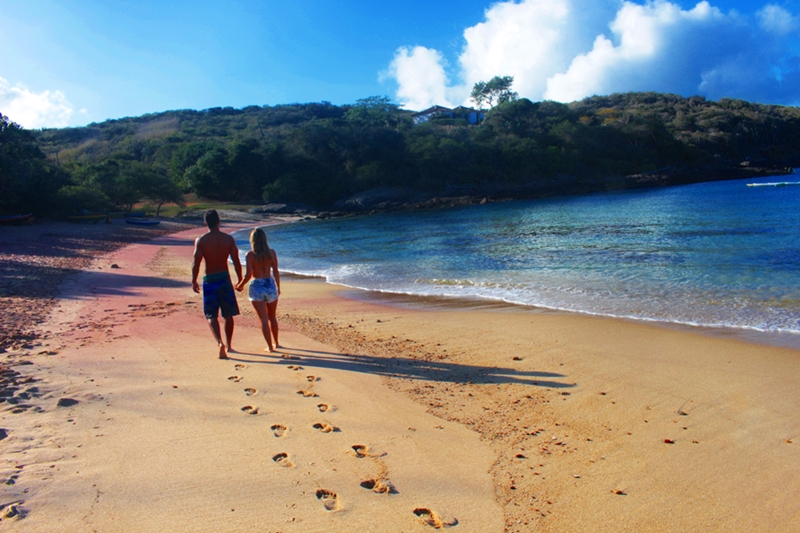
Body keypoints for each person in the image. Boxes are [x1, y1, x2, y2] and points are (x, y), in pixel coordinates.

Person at [191, 209, 242, 359]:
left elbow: (196, 263)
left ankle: (220, 343)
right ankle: (230, 345)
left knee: (211, 315)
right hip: (224, 279)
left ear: (205, 223)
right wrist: (239, 279)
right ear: (219, 221)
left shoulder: (201, 240)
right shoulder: (228, 240)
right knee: (228, 314)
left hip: (210, 280)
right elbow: (237, 262)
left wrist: (193, 280)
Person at [236, 227, 281, 352]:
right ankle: (276, 342)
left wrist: (240, 285)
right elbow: (276, 271)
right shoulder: (272, 253)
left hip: (257, 285)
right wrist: (278, 287)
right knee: (272, 317)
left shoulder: (250, 255)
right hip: (270, 284)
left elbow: (249, 274)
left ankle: (270, 347)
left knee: (263, 318)